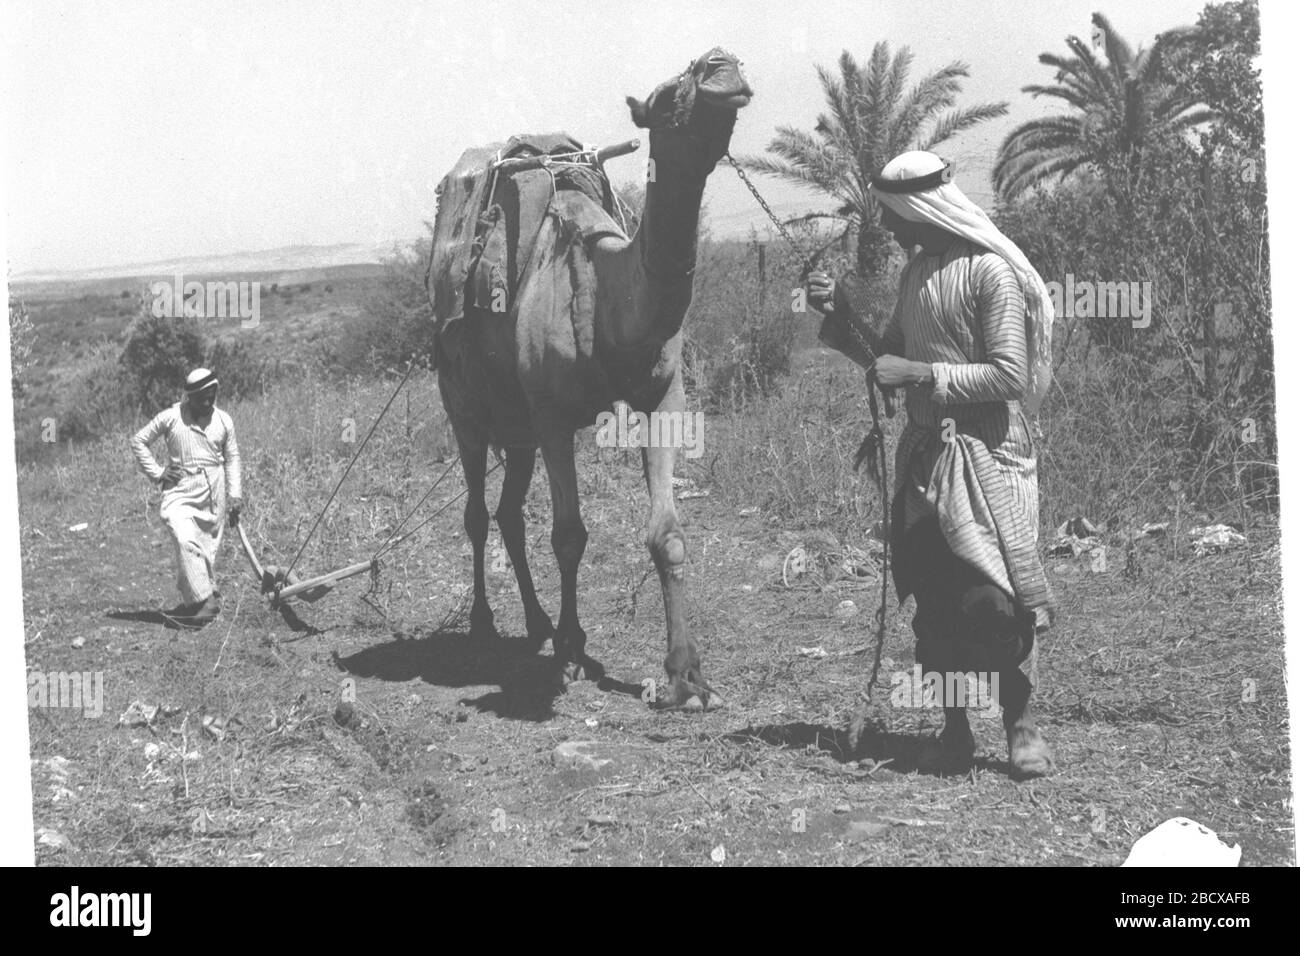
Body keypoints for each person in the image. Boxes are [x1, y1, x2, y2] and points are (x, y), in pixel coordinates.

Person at [807, 150, 1056, 778]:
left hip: (988, 461)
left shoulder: (990, 274)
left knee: (993, 603)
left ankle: (1019, 721)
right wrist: (837, 313)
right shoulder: (916, 273)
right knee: (935, 600)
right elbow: (885, 354)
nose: (888, 229)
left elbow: (1009, 375)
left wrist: (920, 373)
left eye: (893, 216)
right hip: (926, 460)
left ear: (920, 209)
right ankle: (954, 734)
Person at [130, 368, 242, 625]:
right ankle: (205, 604)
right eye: (201, 397)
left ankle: (204, 597)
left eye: (211, 396)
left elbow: (233, 458)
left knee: (205, 547)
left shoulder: (224, 420)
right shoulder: (171, 417)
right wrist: (159, 473)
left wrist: (235, 495)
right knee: (184, 538)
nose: (206, 402)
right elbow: (139, 441)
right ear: (189, 396)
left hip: (213, 490)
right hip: (179, 491)